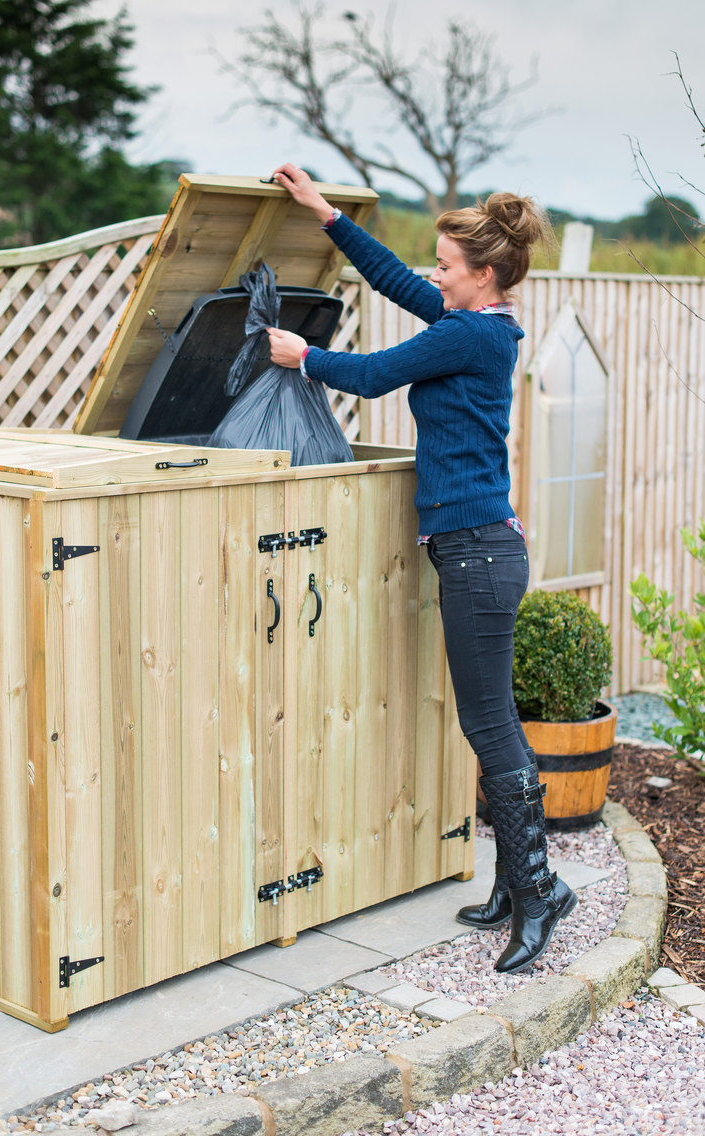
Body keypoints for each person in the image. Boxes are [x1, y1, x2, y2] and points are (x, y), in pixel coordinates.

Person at [266, 162, 577, 975]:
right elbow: (399, 281)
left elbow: (372, 375)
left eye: (447, 266)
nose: (434, 274)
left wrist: (303, 355)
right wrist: (326, 215)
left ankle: (540, 893)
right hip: (479, 546)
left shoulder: (470, 333)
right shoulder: (477, 320)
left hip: (476, 553)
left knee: (489, 727)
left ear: (484, 276)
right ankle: (521, 884)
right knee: (496, 723)